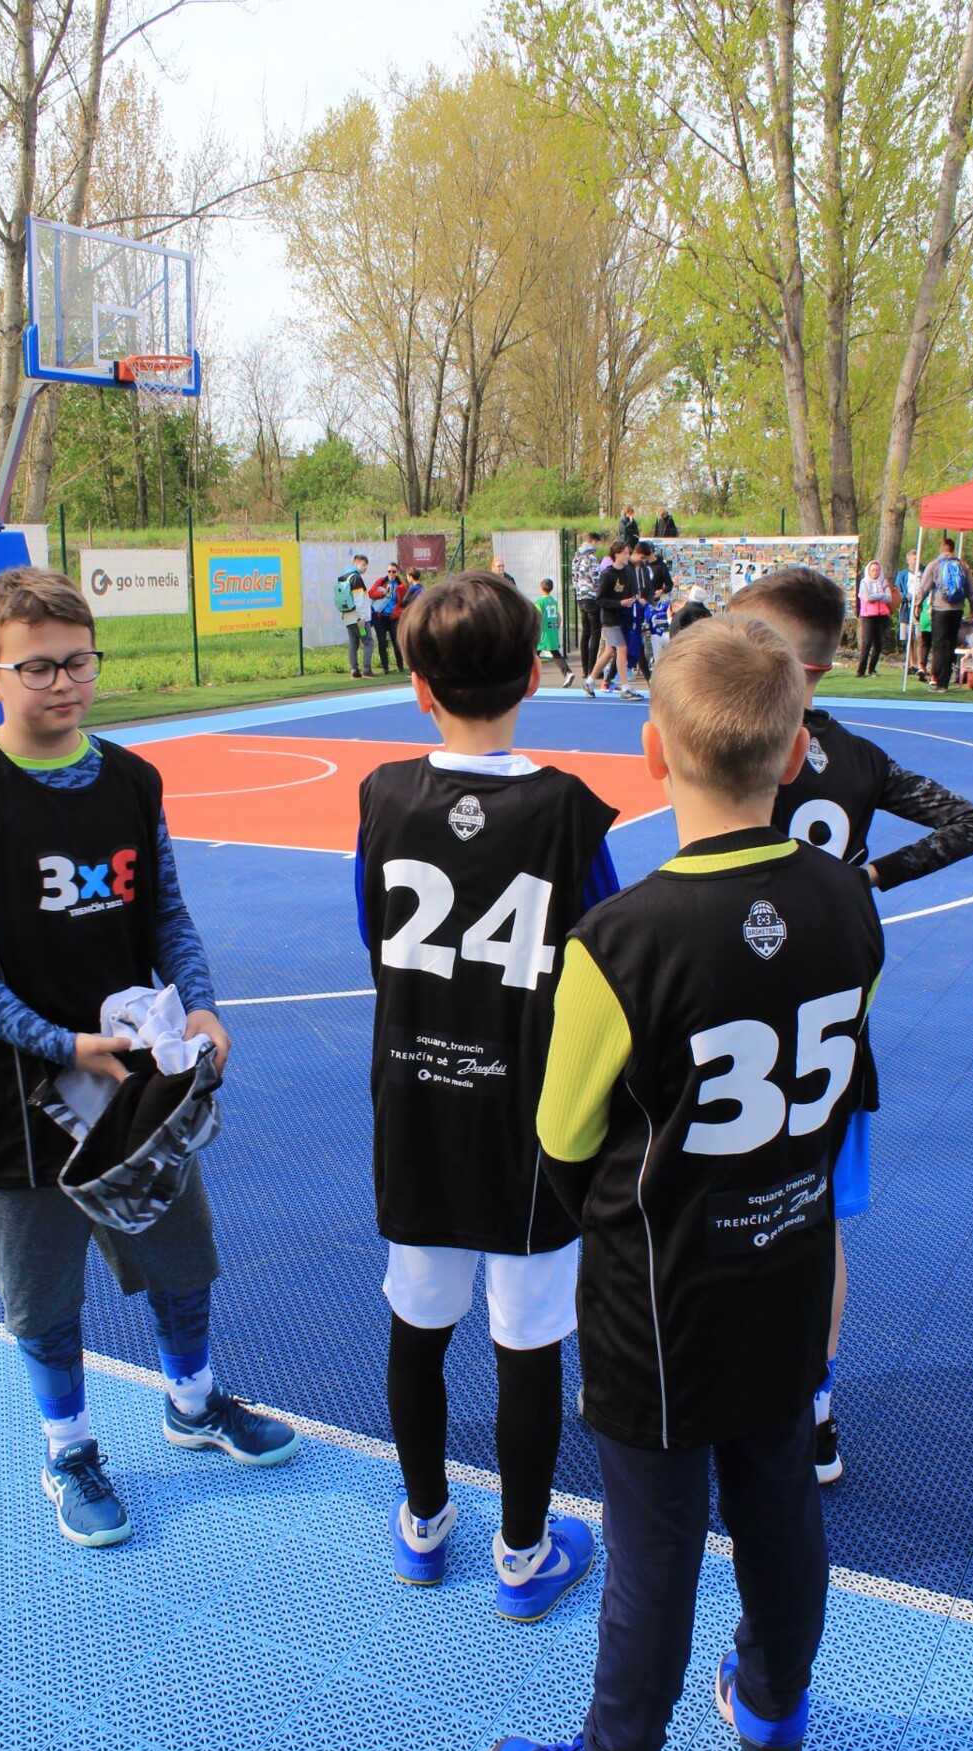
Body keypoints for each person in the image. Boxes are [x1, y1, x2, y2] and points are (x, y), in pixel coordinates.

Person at [488, 618, 884, 1751]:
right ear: (797, 749)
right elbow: (841, 1080)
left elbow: (562, 1133)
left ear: (652, 751)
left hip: (659, 1288)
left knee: (655, 1538)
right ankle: (772, 1717)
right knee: (777, 1493)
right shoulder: (849, 899)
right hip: (788, 1255)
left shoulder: (621, 938)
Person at [0, 569, 300, 1548]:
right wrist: (62, 1042)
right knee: (42, 1293)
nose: (64, 682)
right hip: (16, 1091)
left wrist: (199, 1003)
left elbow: (164, 909)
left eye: (78, 661)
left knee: (179, 1255)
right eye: (37, 666)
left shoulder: (130, 778)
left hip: (135, 1083)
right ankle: (69, 1449)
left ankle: (193, 1401)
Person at [356, 570, 620, 1617]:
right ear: (536, 676)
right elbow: (603, 958)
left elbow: (373, 932)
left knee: (417, 1324)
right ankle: (522, 1550)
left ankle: (423, 1522)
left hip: (418, 1099)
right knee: (528, 1338)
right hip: (530, 1115)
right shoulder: (567, 810)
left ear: (419, 687)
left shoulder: (382, 794)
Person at [736, 566, 973, 1482]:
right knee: (816, 1224)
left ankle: (696, 1378)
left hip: (732, 1004)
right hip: (828, 1023)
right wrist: (867, 877)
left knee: (712, 1201)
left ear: (782, 662)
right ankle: (815, 1403)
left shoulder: (735, 748)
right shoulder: (861, 760)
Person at [912, 537, 973, 690]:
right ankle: (945, 680)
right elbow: (972, 589)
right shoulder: (962, 566)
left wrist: (917, 604)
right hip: (957, 610)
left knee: (938, 644)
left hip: (940, 608)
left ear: (942, 548)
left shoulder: (935, 565)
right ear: (953, 549)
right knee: (950, 643)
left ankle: (936, 679)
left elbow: (923, 587)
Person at [585, 541, 641, 700]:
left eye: (628, 553)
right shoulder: (608, 574)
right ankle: (625, 687)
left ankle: (589, 681)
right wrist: (619, 603)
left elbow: (633, 592)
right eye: (625, 553)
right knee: (622, 648)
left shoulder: (629, 571)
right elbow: (600, 599)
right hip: (610, 618)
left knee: (610, 651)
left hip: (624, 617)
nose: (628, 556)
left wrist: (636, 598)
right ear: (616, 554)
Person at [572, 531, 604, 679]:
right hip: (592, 597)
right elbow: (597, 578)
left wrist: (579, 591)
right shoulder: (591, 557)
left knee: (585, 633)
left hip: (581, 597)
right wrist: (599, 591)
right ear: (594, 541)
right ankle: (593, 669)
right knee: (595, 632)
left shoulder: (577, 557)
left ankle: (585, 669)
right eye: (598, 543)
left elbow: (574, 578)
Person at [338, 552, 375, 679]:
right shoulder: (356, 578)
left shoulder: (344, 577)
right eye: (363, 565)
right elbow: (358, 600)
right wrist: (361, 618)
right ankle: (367, 670)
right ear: (356, 563)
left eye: (366, 565)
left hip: (348, 617)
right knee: (368, 641)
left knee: (353, 643)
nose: (365, 568)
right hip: (358, 619)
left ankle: (354, 670)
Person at [855, 560, 895, 676]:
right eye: (872, 570)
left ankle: (872, 669)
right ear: (869, 571)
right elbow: (867, 598)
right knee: (866, 643)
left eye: (877, 570)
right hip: (868, 616)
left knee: (878, 644)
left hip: (881, 616)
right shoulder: (864, 582)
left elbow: (889, 598)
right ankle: (861, 670)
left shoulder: (883, 582)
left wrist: (877, 596)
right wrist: (881, 596)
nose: (875, 572)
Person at [535, 576, 575, 686]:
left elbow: (538, 617)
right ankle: (568, 673)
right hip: (552, 631)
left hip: (543, 633)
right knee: (555, 653)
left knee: (533, 655)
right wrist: (556, 628)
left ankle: (525, 677)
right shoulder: (554, 602)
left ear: (541, 588)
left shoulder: (539, 602)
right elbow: (559, 618)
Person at [370, 561, 406, 674]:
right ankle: (385, 667)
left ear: (397, 572)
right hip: (381, 617)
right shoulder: (381, 581)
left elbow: (404, 602)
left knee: (396, 641)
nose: (391, 573)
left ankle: (400, 665)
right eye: (389, 571)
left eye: (393, 571)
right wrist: (382, 593)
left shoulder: (401, 585)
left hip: (394, 617)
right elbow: (371, 593)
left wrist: (399, 611)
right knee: (382, 641)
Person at [894, 550, 923, 679]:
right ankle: (912, 664)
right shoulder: (902, 575)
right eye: (914, 559)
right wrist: (906, 595)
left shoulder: (923, 573)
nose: (916, 561)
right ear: (908, 560)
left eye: (918, 559)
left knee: (920, 637)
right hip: (907, 609)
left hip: (920, 609)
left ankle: (921, 664)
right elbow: (897, 590)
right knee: (909, 638)